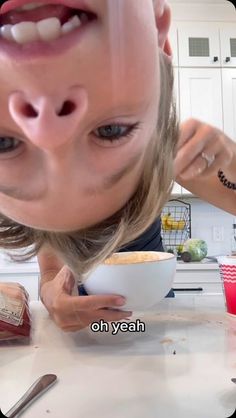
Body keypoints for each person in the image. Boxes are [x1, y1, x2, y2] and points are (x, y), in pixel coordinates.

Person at [0, 0, 235, 332]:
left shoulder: (165, 157)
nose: (48, 128)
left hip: (152, 318)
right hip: (86, 330)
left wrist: (232, 165)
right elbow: (51, 274)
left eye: (110, 131)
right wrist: (53, 297)